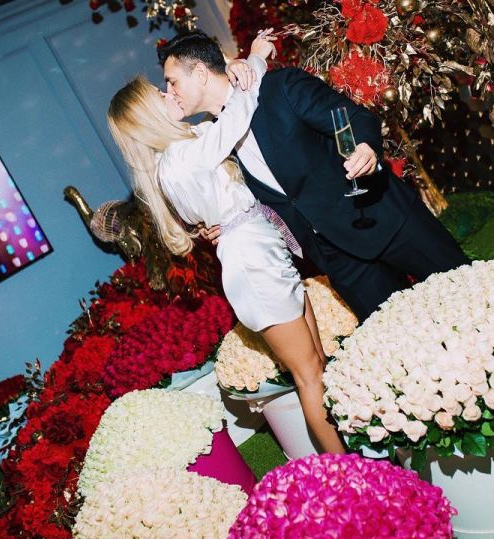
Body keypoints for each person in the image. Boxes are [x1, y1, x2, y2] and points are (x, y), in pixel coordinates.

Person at [108, 30, 344, 454]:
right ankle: (349, 474)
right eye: (161, 93)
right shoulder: (180, 159)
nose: (170, 93)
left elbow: (222, 135)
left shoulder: (184, 148)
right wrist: (254, 59)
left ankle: (351, 459)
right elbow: (236, 115)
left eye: (168, 85)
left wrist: (231, 67)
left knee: (317, 365)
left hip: (262, 252)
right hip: (254, 264)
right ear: (148, 116)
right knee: (309, 374)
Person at [158, 31, 470, 321]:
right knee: (398, 343)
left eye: (173, 82)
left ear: (200, 73)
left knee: (471, 298)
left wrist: (365, 148)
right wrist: (224, 223)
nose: (170, 92)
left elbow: (354, 117)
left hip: (384, 219)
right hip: (339, 259)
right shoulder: (212, 140)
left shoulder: (280, 87)